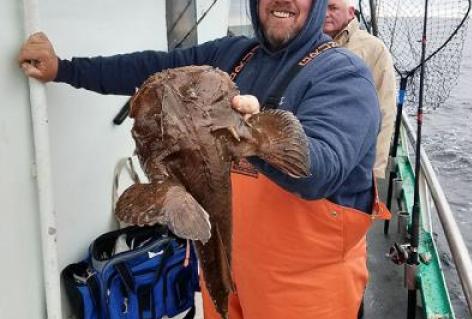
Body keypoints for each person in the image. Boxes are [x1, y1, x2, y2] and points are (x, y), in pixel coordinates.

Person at [18, 0, 389, 318]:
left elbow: (322, 170)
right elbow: (149, 67)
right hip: (225, 270)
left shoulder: (344, 74)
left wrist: (253, 139)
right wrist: (63, 69)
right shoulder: (233, 56)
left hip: (306, 292)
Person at [324, 0, 397, 179]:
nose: (326, 14)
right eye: (322, 7)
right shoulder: (306, 45)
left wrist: (375, 170)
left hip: (355, 158)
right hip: (319, 154)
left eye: (332, 8)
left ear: (351, 13)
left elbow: (385, 110)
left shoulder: (374, 49)